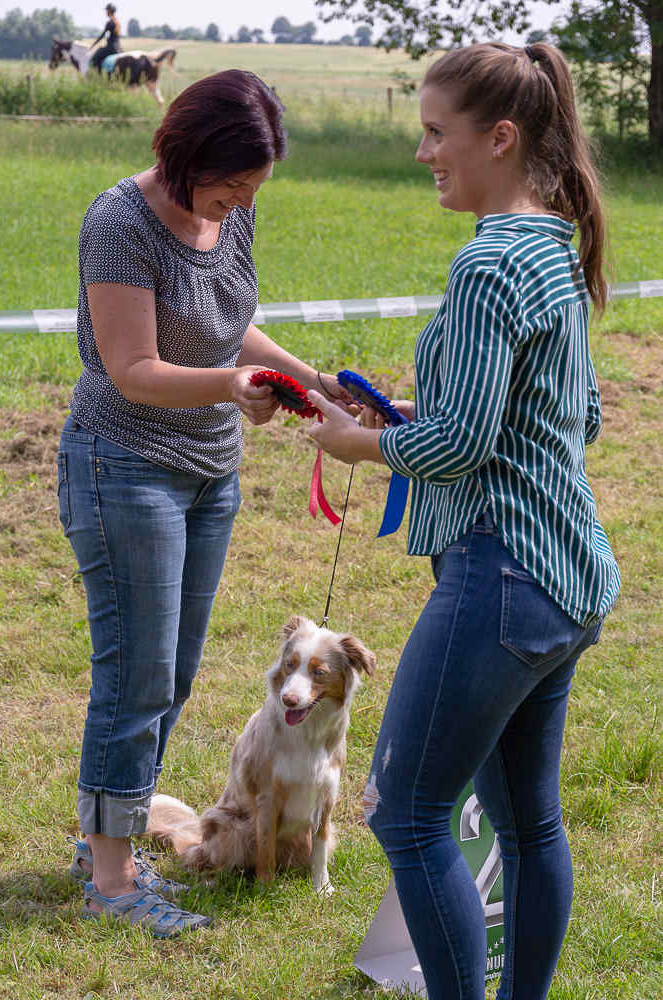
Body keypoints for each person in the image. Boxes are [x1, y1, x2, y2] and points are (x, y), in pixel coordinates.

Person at [307, 42, 620, 1000]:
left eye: (434, 134)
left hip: (503, 579)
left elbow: (461, 447)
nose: (421, 154)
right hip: (566, 579)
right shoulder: (551, 252)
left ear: (499, 137)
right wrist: (411, 418)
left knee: (404, 814)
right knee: (527, 822)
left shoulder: (489, 266)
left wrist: (361, 443)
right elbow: (578, 418)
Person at [58, 69, 352, 937]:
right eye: (231, 183)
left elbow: (231, 323)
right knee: (136, 672)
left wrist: (307, 379)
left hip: (207, 474)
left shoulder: (232, 213)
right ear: (186, 153)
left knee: (175, 667)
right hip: (124, 463)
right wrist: (231, 385)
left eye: (254, 188)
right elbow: (132, 368)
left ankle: (107, 833)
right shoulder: (120, 222)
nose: (240, 201)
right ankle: (111, 877)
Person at [90, 3, 122, 74]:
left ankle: (99, 75)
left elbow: (102, 36)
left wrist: (93, 45)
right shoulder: (117, 22)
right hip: (119, 47)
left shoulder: (110, 23)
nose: (106, 12)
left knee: (94, 58)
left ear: (109, 11)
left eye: (106, 10)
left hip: (111, 48)